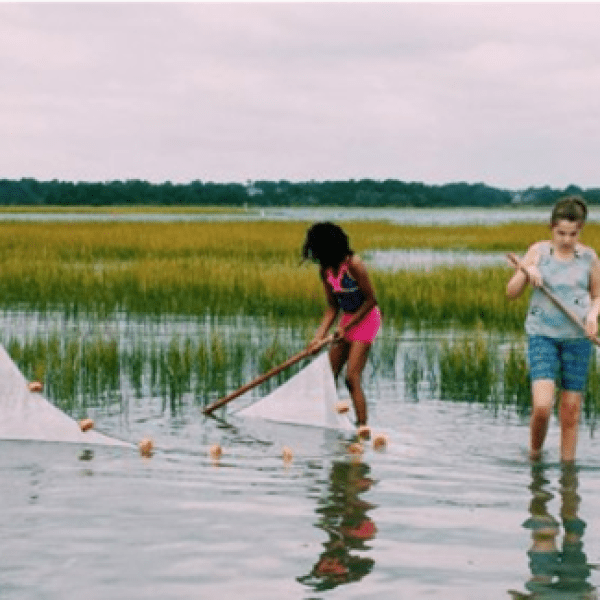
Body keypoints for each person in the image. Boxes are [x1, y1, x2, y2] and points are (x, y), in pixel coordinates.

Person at [506, 196, 600, 462]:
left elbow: (597, 296)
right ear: (551, 228)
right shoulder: (538, 252)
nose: (566, 240)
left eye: (573, 233)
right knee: (543, 407)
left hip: (577, 337)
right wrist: (527, 272)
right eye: (561, 233)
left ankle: (568, 472)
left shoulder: (589, 257)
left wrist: (593, 317)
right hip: (542, 336)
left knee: (570, 411)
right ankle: (535, 456)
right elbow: (511, 293)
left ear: (580, 229)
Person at [302, 222, 381, 427]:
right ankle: (331, 419)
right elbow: (332, 307)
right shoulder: (325, 271)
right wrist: (318, 338)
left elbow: (371, 300)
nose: (316, 256)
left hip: (367, 319)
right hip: (346, 319)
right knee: (328, 375)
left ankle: (362, 426)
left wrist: (346, 328)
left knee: (351, 377)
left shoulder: (354, 264)